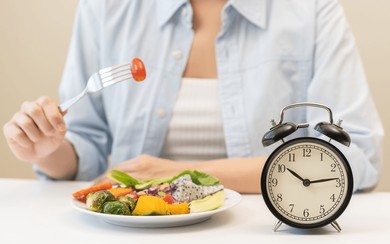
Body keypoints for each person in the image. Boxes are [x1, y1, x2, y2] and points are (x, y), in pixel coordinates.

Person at [3, 0, 384, 193]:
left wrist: (178, 174)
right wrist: (47, 149)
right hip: (130, 239)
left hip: (268, 242)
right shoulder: (106, 7)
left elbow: (354, 157)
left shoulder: (312, 10)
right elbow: (84, 150)